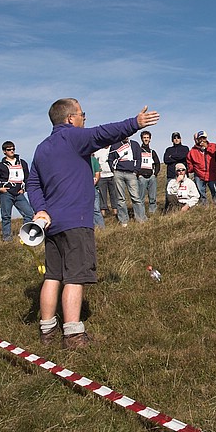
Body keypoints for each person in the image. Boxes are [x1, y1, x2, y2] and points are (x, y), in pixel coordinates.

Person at [26, 98, 159, 349]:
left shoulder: (41, 148)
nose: (85, 118)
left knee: (53, 276)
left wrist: (41, 209)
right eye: (82, 114)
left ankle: (46, 331)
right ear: (70, 119)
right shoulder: (73, 138)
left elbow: (32, 184)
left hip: (51, 224)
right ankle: (73, 335)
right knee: (75, 278)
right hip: (76, 221)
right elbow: (102, 133)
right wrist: (135, 123)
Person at [0, 141, 34, 242]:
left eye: (13, 149)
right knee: (6, 216)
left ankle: (24, 235)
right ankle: (7, 238)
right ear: (4, 151)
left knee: (29, 213)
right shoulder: (0, 166)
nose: (12, 151)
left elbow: (27, 177)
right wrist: (0, 188)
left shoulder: (22, 163)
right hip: (6, 193)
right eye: (9, 149)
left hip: (19, 193)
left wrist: (24, 189)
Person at [108, 134, 146, 226]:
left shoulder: (135, 144)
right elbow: (110, 159)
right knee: (120, 198)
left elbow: (139, 158)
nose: (125, 136)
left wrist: (136, 171)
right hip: (118, 173)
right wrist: (114, 170)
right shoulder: (115, 145)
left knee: (136, 197)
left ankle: (141, 219)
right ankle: (124, 221)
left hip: (131, 173)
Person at [187, 130, 216, 205]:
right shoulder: (192, 151)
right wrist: (191, 170)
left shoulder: (213, 146)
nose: (202, 140)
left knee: (215, 190)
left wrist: (207, 148)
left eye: (203, 138)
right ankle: (204, 207)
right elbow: (189, 161)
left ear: (206, 138)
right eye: (200, 138)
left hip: (211, 174)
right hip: (199, 175)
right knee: (201, 192)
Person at [163, 131, 190, 211]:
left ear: (180, 139)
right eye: (174, 138)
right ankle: (168, 210)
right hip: (171, 175)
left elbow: (185, 156)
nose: (176, 139)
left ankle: (184, 209)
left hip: (183, 176)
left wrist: (173, 157)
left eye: (178, 137)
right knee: (170, 193)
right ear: (172, 140)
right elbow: (166, 160)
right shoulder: (168, 149)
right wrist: (178, 158)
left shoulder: (185, 148)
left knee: (184, 193)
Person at [137, 130, 161, 215]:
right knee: (141, 198)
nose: (146, 139)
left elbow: (157, 163)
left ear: (150, 139)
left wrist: (155, 174)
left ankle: (152, 214)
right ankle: (141, 214)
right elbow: (135, 162)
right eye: (144, 138)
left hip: (151, 177)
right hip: (142, 177)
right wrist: (138, 174)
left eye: (147, 137)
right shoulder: (138, 151)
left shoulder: (152, 151)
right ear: (142, 139)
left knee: (153, 197)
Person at [93, 146, 119, 218]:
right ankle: (103, 212)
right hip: (102, 176)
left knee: (114, 194)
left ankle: (115, 211)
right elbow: (95, 161)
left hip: (112, 175)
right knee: (102, 194)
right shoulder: (98, 151)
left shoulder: (112, 149)